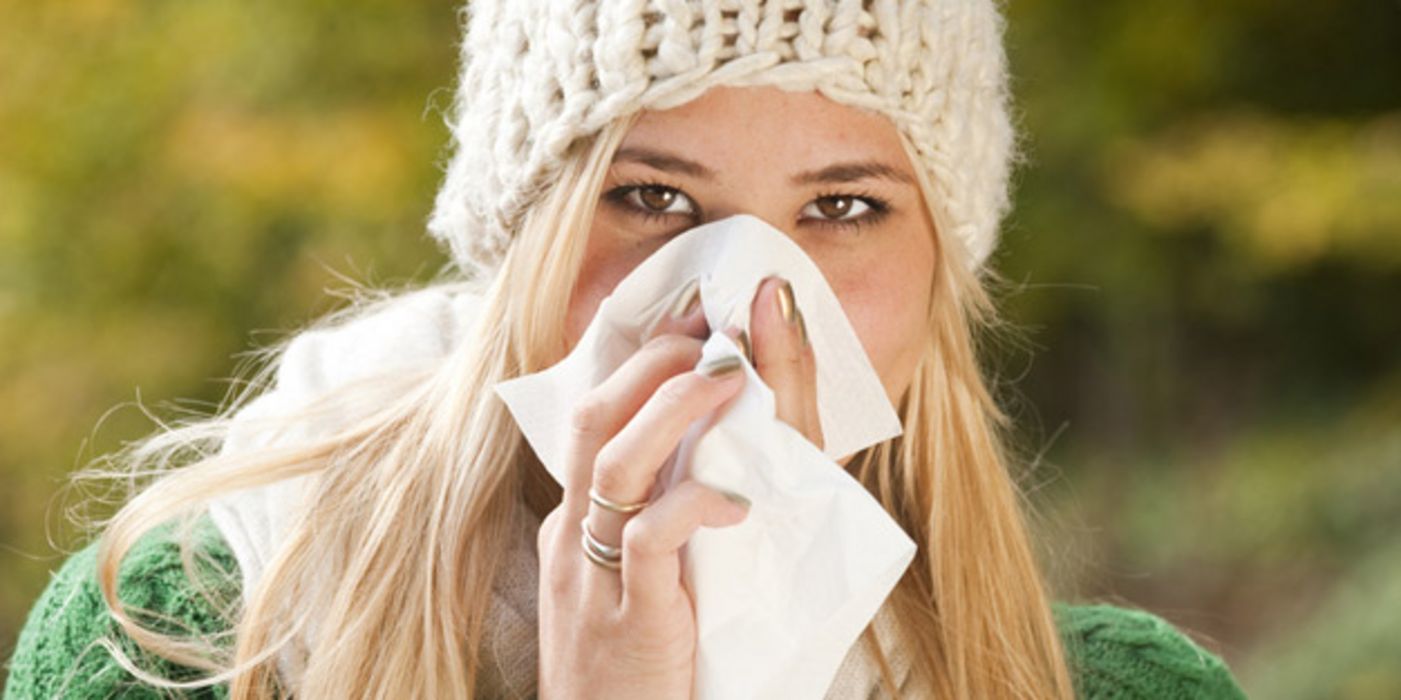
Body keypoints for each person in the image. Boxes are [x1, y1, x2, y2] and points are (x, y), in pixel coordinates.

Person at [4, 1, 1248, 698]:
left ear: (940, 274)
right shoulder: (170, 641)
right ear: (519, 241)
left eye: (844, 207)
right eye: (653, 198)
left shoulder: (1123, 694)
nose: (739, 312)